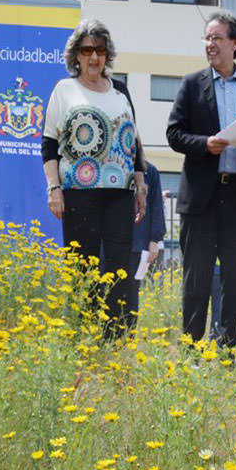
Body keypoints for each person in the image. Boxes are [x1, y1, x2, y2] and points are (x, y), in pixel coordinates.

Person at [166, 10, 236, 346]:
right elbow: (173, 134)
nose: (210, 45)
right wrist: (204, 144)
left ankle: (231, 350)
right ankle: (192, 348)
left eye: (217, 38)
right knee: (196, 277)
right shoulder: (191, 84)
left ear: (235, 43)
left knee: (233, 277)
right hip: (201, 197)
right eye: (207, 38)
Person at [43, 19, 146, 337]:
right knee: (81, 266)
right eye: (87, 50)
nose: (94, 57)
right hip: (78, 193)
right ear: (76, 55)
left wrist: (141, 183)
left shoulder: (121, 90)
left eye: (100, 50)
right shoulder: (64, 90)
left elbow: (135, 141)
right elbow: (49, 143)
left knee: (119, 267)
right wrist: (54, 187)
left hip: (120, 193)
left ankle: (117, 336)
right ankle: (81, 334)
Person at [125, 160, 166, 327]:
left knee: (132, 291)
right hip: (111, 240)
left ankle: (129, 336)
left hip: (138, 241)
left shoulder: (150, 171)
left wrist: (155, 239)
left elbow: (156, 205)